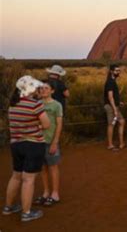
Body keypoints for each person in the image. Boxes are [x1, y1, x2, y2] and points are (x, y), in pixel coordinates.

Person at [3, 76, 50, 222]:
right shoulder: (35, 105)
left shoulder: (13, 104)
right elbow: (47, 124)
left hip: (16, 144)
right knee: (28, 179)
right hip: (33, 144)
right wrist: (36, 126)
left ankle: (8, 207)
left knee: (16, 175)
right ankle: (26, 212)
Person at [33, 80, 63, 207]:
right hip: (38, 141)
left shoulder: (57, 105)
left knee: (53, 167)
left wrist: (55, 142)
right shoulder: (37, 104)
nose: (43, 90)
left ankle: (55, 194)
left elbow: (59, 124)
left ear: (52, 91)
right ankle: (46, 192)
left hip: (51, 141)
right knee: (42, 168)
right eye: (41, 88)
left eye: (46, 88)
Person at [104, 64, 126, 150]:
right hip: (111, 107)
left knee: (121, 122)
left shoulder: (112, 81)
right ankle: (110, 145)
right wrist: (114, 109)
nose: (118, 72)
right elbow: (110, 97)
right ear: (111, 71)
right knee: (111, 125)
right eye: (116, 71)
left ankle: (121, 143)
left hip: (114, 105)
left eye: (119, 70)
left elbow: (113, 96)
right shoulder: (110, 82)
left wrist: (118, 102)